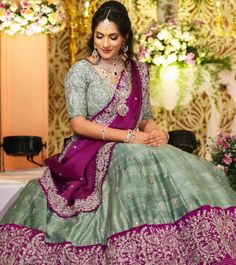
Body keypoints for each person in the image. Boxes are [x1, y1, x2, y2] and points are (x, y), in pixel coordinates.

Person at [0, 1, 235, 264]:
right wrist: (130, 137)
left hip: (134, 146)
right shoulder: (81, 71)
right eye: (99, 36)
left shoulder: (139, 71)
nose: (106, 43)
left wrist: (159, 133)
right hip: (88, 153)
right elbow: (77, 123)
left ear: (125, 37)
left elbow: (145, 118)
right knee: (136, 157)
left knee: (165, 160)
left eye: (113, 37)